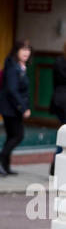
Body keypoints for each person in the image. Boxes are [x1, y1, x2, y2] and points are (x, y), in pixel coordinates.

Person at [0, 40, 32, 177]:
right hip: (10, 108)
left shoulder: (20, 66)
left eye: (28, 49)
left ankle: (5, 166)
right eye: (23, 49)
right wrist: (23, 108)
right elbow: (12, 90)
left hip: (11, 107)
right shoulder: (13, 66)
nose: (27, 52)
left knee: (11, 136)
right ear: (16, 51)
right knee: (18, 135)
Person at [49, 41, 66, 175]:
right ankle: (56, 169)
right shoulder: (60, 62)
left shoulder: (59, 61)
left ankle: (55, 169)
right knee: (63, 135)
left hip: (59, 100)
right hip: (62, 102)